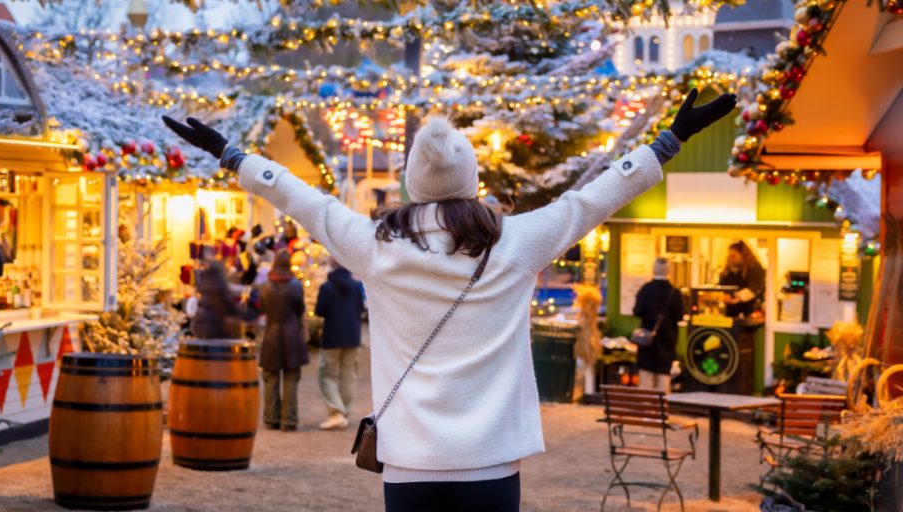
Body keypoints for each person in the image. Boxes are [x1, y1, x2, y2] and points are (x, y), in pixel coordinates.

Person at [165, 88, 735, 512]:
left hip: (410, 464)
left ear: (414, 181)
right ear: (472, 179)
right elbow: (593, 199)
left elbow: (301, 199)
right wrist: (668, 140)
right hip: (491, 462)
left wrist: (231, 154)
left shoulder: (375, 246)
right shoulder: (516, 240)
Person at [258, 251, 309, 431]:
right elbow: (300, 309)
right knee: (291, 377)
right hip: (292, 334)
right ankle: (289, 419)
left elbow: (262, 308)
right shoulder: (296, 285)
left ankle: (271, 419)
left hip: (271, 334)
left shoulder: (265, 286)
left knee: (270, 377)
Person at [315, 258, 366, 430]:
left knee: (327, 375)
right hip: (353, 336)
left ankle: (336, 412)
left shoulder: (326, 287)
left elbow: (319, 311)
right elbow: (361, 309)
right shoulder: (356, 286)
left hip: (332, 337)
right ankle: (343, 412)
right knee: (348, 375)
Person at [632, 257, 683, 393]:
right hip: (667, 342)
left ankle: (646, 412)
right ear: (669, 271)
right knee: (663, 382)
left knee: (646, 382)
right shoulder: (675, 293)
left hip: (647, 342)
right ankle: (660, 413)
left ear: (653, 269)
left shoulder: (646, 290)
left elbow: (637, 311)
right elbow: (679, 316)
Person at [191, 246, 241, 339]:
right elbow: (228, 305)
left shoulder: (207, 280)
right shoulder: (219, 281)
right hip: (216, 328)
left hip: (204, 328)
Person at [720, 240, 766, 319]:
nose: (730, 259)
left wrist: (736, 297)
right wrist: (723, 296)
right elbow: (721, 286)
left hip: (751, 312)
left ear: (743, 255)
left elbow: (755, 288)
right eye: (729, 256)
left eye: (733, 256)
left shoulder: (754, 267)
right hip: (730, 312)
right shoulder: (727, 270)